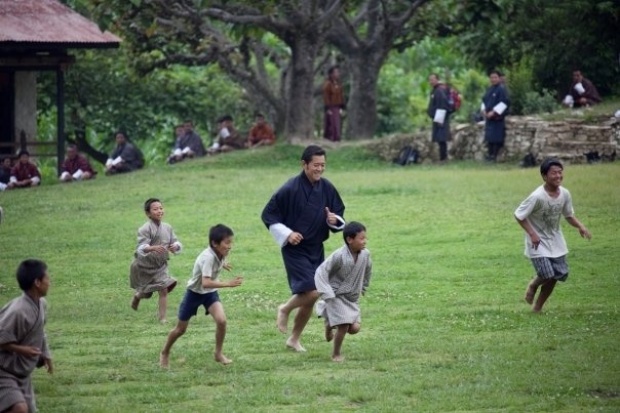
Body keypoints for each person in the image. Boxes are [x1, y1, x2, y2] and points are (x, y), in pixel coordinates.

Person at [261, 145, 345, 352]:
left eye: (323, 165)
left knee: (308, 297)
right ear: (304, 164)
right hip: (294, 248)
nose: (320, 169)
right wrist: (288, 233)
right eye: (316, 165)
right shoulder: (289, 189)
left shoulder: (326, 188)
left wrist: (334, 220)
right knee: (314, 291)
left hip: (316, 247)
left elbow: (338, 213)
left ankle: (294, 339)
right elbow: (268, 215)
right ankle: (285, 308)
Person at [160, 224, 243, 368]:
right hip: (194, 294)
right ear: (215, 243)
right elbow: (206, 283)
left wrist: (223, 264)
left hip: (209, 294)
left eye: (231, 242)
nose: (230, 246)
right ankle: (165, 352)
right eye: (227, 242)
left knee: (222, 321)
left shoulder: (220, 253)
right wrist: (228, 283)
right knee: (180, 330)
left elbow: (212, 274)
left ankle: (218, 354)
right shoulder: (208, 258)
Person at [514, 158, 591, 313]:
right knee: (546, 273)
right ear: (544, 176)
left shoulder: (565, 194)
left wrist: (580, 226)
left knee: (558, 274)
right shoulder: (537, 196)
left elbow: (568, 215)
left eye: (560, 172)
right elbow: (519, 215)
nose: (558, 176)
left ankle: (537, 308)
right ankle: (533, 285)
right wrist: (532, 234)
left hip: (556, 241)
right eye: (553, 173)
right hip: (537, 242)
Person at [0, 259, 53, 413]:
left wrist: (46, 354)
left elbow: (40, 331)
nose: (49, 282)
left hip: (20, 373)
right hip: (3, 371)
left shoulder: (41, 304)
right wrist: (23, 350)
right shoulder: (18, 311)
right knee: (19, 408)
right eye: (47, 279)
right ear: (37, 282)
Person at [314, 221, 372, 362]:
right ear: (349, 239)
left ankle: (329, 322)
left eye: (366, 238)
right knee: (344, 325)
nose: (365, 241)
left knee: (354, 328)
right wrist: (326, 292)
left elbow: (368, 270)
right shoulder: (339, 255)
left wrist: (363, 286)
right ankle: (336, 354)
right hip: (336, 295)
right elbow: (321, 271)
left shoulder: (365, 255)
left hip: (352, 297)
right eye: (361, 238)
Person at [129, 198, 181, 323]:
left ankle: (162, 318)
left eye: (161, 208)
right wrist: (152, 247)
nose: (159, 211)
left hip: (160, 265)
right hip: (144, 266)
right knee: (147, 293)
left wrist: (175, 246)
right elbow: (141, 248)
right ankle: (137, 296)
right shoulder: (144, 229)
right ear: (148, 213)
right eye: (155, 209)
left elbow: (175, 241)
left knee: (163, 289)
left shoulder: (167, 227)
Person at [481, 70, 511, 162]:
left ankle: (494, 156)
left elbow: (504, 102)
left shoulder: (501, 89)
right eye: (491, 77)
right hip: (489, 118)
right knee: (489, 137)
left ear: (499, 78)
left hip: (497, 118)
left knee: (496, 137)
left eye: (495, 77)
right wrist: (483, 110)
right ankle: (489, 155)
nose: (493, 79)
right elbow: (484, 100)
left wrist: (494, 112)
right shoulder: (489, 89)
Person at [427, 73, 451, 162]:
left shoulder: (439, 91)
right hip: (437, 118)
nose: (431, 81)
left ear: (437, 79)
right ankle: (442, 158)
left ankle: (443, 158)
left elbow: (442, 105)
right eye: (430, 80)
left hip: (440, 118)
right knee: (439, 139)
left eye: (433, 79)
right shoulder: (435, 90)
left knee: (442, 139)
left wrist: (440, 119)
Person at [322, 65, 346, 142]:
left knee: (337, 123)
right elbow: (326, 96)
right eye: (335, 72)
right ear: (331, 74)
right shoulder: (328, 84)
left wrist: (342, 107)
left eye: (338, 72)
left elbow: (341, 95)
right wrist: (328, 108)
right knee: (331, 124)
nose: (337, 74)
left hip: (337, 107)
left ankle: (337, 139)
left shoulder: (339, 84)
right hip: (331, 107)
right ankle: (330, 139)